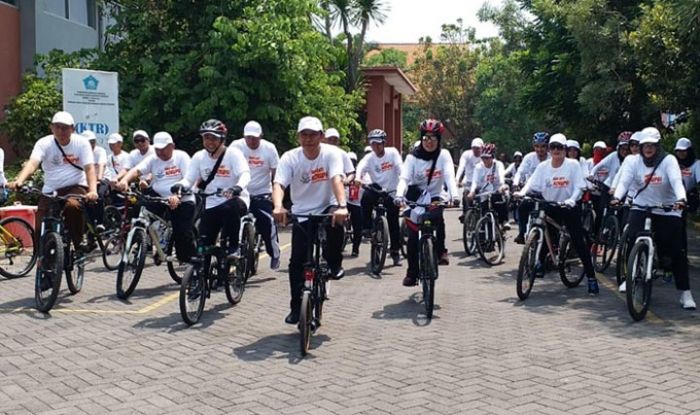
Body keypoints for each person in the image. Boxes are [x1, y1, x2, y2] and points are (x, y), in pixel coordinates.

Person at [272, 116, 348, 324]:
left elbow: (336, 179)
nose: (308, 139)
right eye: (304, 135)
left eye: (313, 135)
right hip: (302, 212)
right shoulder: (290, 157)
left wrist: (342, 205)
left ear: (321, 136)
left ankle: (334, 262)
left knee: (336, 222)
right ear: (298, 137)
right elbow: (279, 184)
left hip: (327, 205)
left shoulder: (331, 154)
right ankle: (296, 307)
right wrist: (278, 206)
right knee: (297, 262)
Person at [612, 129, 695, 309]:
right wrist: (618, 197)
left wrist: (681, 199)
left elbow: (676, 181)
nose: (648, 149)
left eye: (652, 145)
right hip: (641, 206)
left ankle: (685, 292)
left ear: (658, 146)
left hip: (668, 208)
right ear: (640, 147)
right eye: (645, 145)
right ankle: (631, 275)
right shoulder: (633, 161)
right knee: (631, 237)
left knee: (675, 250)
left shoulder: (668, 160)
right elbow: (625, 181)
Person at [514, 133, 599, 295]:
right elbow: (532, 183)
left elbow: (580, 187)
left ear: (565, 149)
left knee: (579, 242)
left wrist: (573, 200)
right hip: (551, 205)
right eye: (553, 147)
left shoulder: (572, 165)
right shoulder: (543, 166)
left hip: (568, 206)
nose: (556, 150)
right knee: (546, 237)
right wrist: (522, 192)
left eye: (559, 147)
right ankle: (538, 264)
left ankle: (591, 277)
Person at [8, 111, 99, 251]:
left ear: (72, 129)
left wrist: (92, 190)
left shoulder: (82, 143)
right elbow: (32, 164)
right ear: (52, 128)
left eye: (65, 128)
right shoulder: (44, 143)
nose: (61, 131)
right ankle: (42, 259)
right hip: (51, 189)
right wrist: (19, 180)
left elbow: (89, 169)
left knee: (72, 207)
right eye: (58, 127)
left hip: (75, 186)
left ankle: (78, 244)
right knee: (40, 224)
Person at [395, 119, 459, 286]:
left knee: (437, 217)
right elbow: (404, 179)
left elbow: (450, 177)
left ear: (439, 140)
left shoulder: (443, 155)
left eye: (433, 138)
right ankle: (412, 273)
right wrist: (399, 195)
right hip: (415, 197)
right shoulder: (412, 158)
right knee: (413, 237)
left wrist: (455, 195)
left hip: (436, 196)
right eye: (425, 138)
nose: (429, 142)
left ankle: (440, 251)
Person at [117, 131, 195, 264]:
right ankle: (148, 240)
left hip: (182, 197)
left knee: (181, 232)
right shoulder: (153, 159)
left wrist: (177, 195)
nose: (160, 152)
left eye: (164, 149)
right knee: (139, 208)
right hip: (159, 196)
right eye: (158, 149)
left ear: (172, 146)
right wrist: (124, 181)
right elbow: (136, 170)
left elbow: (189, 179)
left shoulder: (181, 157)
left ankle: (190, 262)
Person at [177, 119, 250, 257]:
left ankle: (233, 246)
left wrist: (237, 187)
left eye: (214, 138)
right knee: (203, 244)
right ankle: (200, 274)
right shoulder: (199, 157)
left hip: (235, 200)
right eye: (206, 138)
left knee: (230, 207)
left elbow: (244, 174)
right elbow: (189, 178)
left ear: (222, 139)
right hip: (211, 203)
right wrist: (181, 185)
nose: (209, 142)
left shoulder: (233, 154)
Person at [231, 121, 281, 269]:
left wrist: (276, 194)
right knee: (230, 220)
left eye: (255, 138)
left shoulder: (269, 148)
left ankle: (275, 254)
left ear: (261, 136)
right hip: (241, 192)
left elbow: (275, 173)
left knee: (267, 223)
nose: (251, 141)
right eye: (248, 138)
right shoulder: (236, 146)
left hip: (262, 192)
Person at [356, 129, 403, 265]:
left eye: (378, 143)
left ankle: (395, 252)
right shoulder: (369, 157)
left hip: (391, 192)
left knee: (393, 222)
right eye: (372, 144)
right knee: (365, 198)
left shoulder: (392, 153)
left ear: (383, 143)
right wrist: (358, 178)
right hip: (376, 190)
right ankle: (367, 227)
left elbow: (401, 168)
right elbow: (360, 167)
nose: (375, 147)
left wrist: (403, 181)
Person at [513, 132, 551, 244]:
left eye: (543, 146)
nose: (540, 149)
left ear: (547, 147)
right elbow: (520, 172)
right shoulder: (529, 158)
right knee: (522, 208)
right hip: (531, 191)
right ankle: (522, 233)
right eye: (537, 146)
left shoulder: (551, 158)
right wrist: (515, 184)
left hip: (547, 194)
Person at [467, 143, 509, 227]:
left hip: (496, 190)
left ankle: (504, 221)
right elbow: (475, 181)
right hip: (484, 192)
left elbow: (501, 177)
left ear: (492, 157)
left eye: (487, 158)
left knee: (500, 202)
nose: (485, 160)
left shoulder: (498, 165)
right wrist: (472, 191)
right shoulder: (478, 167)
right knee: (483, 210)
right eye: (483, 158)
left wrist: (502, 186)